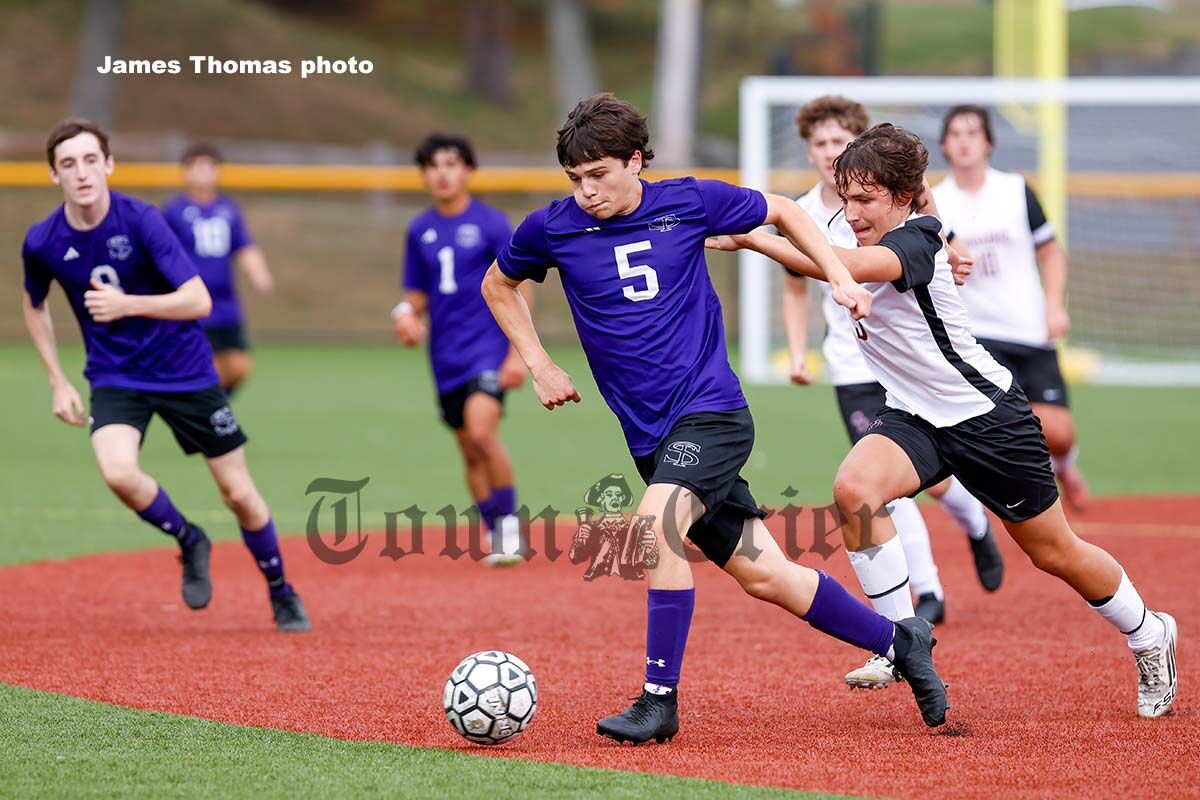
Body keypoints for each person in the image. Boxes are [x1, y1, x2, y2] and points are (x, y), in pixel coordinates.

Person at [482, 93, 949, 743]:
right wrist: (538, 363)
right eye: (575, 178)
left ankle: (658, 700)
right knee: (767, 575)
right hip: (649, 435)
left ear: (635, 161)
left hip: (711, 414)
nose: (586, 191)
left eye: (599, 175)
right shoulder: (552, 227)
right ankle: (902, 640)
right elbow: (498, 284)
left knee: (656, 525)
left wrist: (839, 277)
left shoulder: (689, 201)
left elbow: (784, 210)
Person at [711, 123, 1176, 719]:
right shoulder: (851, 224)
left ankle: (1148, 632)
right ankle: (899, 640)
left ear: (904, 197)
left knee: (1054, 552)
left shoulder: (917, 241)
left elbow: (844, 266)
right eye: (846, 197)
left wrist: (754, 240)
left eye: (866, 199)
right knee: (855, 488)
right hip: (914, 413)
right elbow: (839, 243)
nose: (851, 211)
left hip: (986, 418)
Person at [21, 118, 310, 633]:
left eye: (90, 160)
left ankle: (281, 590)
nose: (81, 173)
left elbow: (198, 300)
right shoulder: (43, 241)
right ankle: (189, 538)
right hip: (115, 375)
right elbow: (34, 303)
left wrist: (127, 303)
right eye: (68, 164)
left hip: (185, 371)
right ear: (53, 174)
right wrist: (57, 381)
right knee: (117, 472)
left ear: (108, 165)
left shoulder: (142, 220)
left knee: (238, 493)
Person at [782, 96, 1003, 689]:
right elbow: (797, 285)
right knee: (873, 488)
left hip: (917, 369)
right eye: (819, 144)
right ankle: (918, 608)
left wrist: (948, 248)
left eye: (839, 142)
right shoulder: (805, 211)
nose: (828, 153)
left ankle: (976, 526)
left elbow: (922, 219)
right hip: (855, 367)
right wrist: (798, 351)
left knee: (940, 485)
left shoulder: (896, 208)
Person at [933, 105, 1090, 509]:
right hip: (977, 335)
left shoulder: (1016, 190)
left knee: (1059, 433)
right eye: (955, 134)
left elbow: (1050, 253)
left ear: (988, 142)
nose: (964, 141)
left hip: (1028, 328)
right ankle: (1011, 505)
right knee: (1002, 428)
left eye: (973, 133)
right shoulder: (936, 202)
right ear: (945, 145)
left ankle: (1064, 464)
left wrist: (1055, 306)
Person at [394, 133, 526, 565]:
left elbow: (519, 285)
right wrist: (405, 315)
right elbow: (417, 294)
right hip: (444, 355)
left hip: (487, 348)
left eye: (451, 164)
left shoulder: (491, 223)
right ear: (423, 175)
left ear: (468, 170)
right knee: (469, 448)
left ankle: (509, 530)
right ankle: (493, 527)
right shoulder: (420, 230)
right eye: (433, 166)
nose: (442, 174)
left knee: (483, 432)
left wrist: (517, 353)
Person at [162, 143, 274, 396]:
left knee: (238, 367)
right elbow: (163, 252)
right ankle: (205, 409)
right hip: (193, 301)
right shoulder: (174, 210)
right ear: (186, 171)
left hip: (225, 303)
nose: (203, 172)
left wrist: (259, 273)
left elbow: (244, 246)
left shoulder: (229, 209)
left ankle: (210, 405)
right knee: (203, 365)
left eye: (208, 166)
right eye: (196, 166)